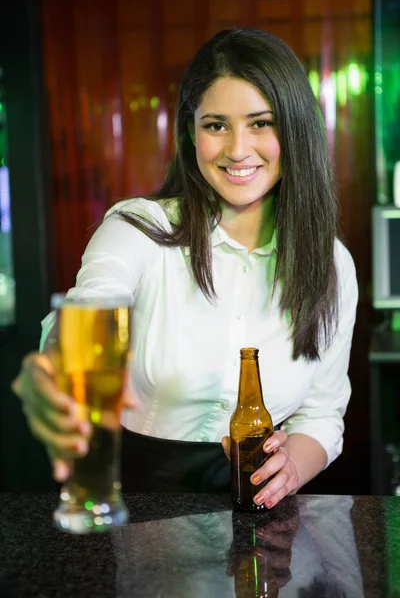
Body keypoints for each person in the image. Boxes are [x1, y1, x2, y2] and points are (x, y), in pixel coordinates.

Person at [12, 27, 358, 508]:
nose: (238, 150)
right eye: (216, 125)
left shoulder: (331, 265)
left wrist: (294, 464)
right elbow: (86, 315)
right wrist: (52, 371)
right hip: (141, 506)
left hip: (261, 507)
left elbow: (322, 412)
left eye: (261, 123)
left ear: (294, 129)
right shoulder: (139, 229)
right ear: (190, 132)